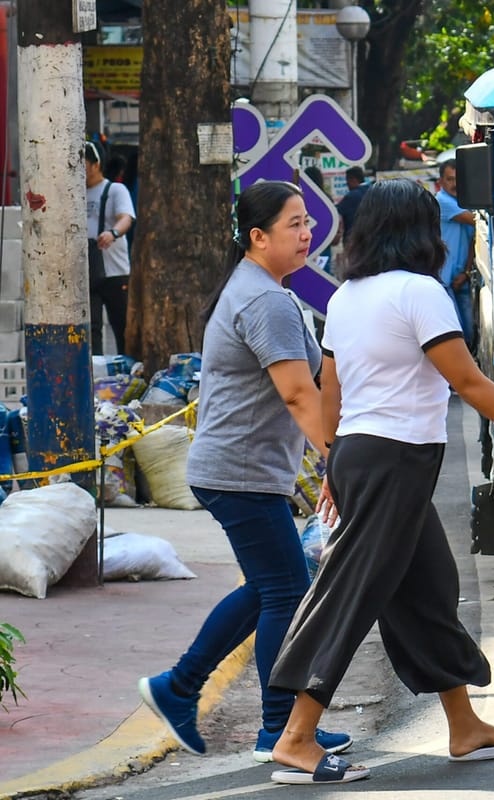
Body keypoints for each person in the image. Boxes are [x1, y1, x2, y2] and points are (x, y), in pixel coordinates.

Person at [264, 179, 494, 785]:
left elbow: (331, 392)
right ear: (422, 233)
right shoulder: (422, 293)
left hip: (366, 456)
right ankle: (296, 739)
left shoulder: (346, 296)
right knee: (350, 591)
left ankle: (466, 728)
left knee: (427, 591)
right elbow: (468, 383)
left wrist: (334, 466)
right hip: (394, 461)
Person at [137, 181, 352, 763]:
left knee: (268, 588)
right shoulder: (265, 300)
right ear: (258, 237)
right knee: (287, 591)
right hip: (241, 472)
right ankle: (279, 727)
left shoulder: (261, 289)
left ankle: (178, 687)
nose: (307, 233)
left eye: (308, 222)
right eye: (293, 224)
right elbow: (298, 395)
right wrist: (339, 459)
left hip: (237, 469)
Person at [85, 141, 136, 355]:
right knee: (91, 328)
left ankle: (129, 374)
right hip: (88, 273)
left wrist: (113, 233)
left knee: (122, 327)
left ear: (96, 164)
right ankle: (95, 376)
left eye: (83, 163)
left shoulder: (115, 190)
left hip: (115, 271)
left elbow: (126, 218)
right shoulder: (74, 193)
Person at [437, 158, 476, 344]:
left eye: (457, 179)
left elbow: (472, 241)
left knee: (468, 333)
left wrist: (466, 273)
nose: (454, 184)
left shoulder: (462, 203)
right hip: (444, 279)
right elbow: (476, 221)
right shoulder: (443, 201)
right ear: (441, 182)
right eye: (449, 179)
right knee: (458, 335)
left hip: (460, 277)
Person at [336, 166, 368, 236]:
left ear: (353, 179)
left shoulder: (351, 196)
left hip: (354, 238)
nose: (346, 183)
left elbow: (335, 213)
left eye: (347, 180)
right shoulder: (374, 191)